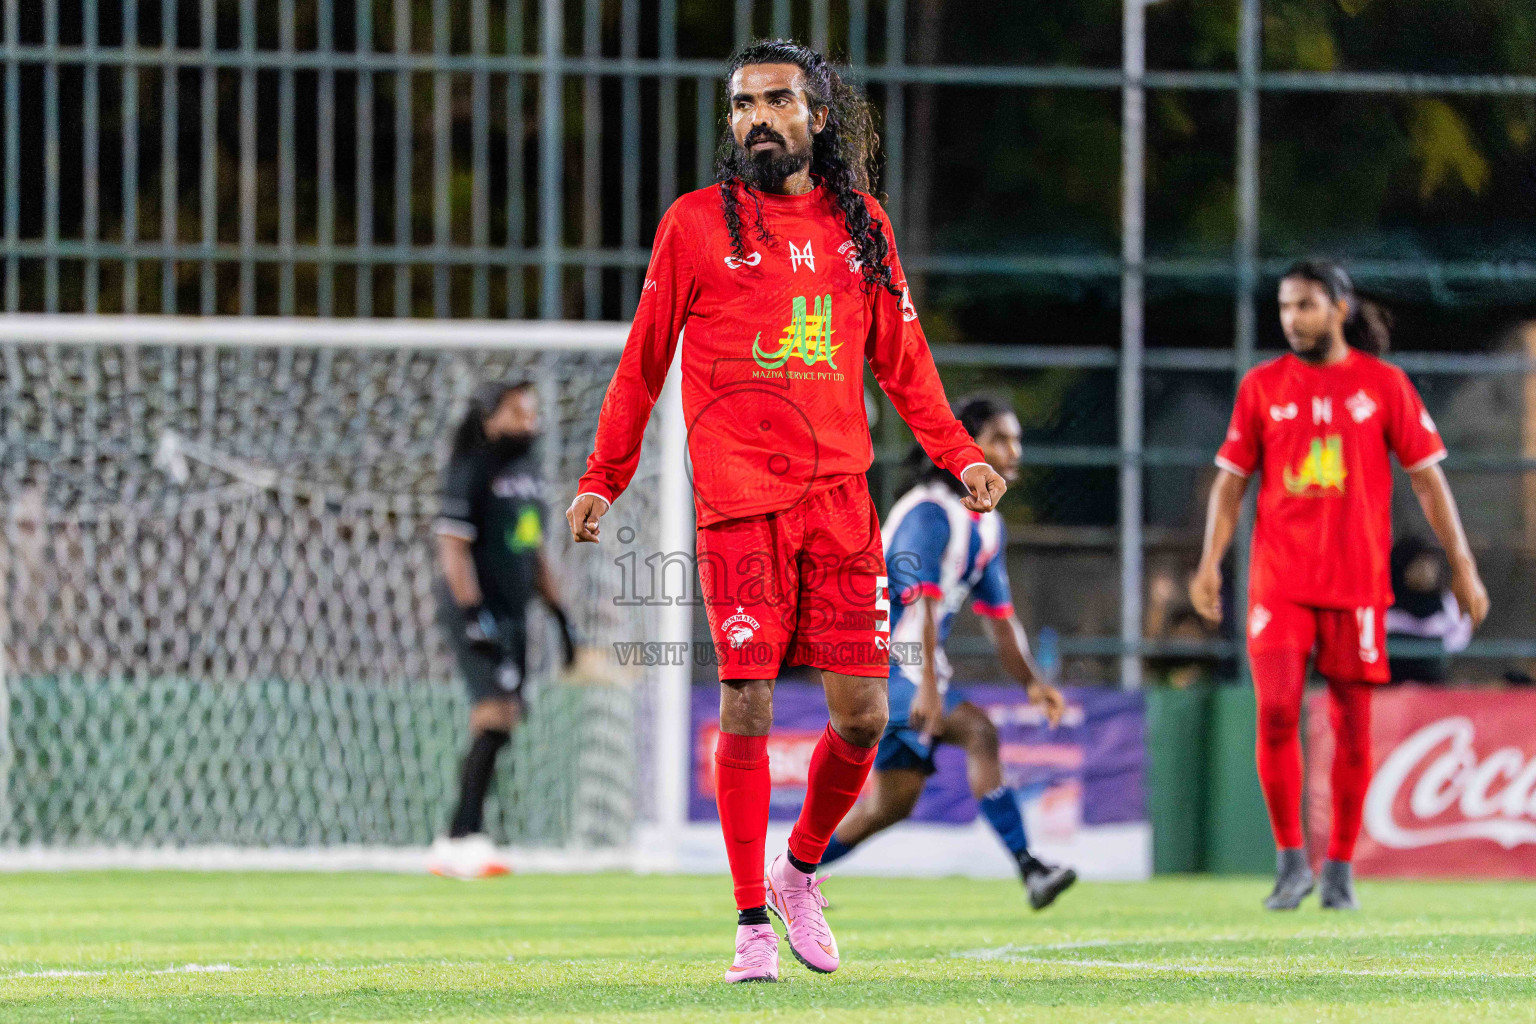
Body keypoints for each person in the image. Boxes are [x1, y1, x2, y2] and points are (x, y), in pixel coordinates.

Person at [566, 39, 1006, 983]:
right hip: (739, 507)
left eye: (775, 101)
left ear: (818, 115)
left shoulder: (864, 228)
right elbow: (643, 360)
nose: (755, 119)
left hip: (841, 505)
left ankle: (800, 870)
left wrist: (959, 455)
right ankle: (749, 924)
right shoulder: (692, 226)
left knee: (862, 717)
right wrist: (604, 475)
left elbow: (904, 364)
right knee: (747, 699)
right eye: (741, 105)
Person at [1190, 260, 1489, 911]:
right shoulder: (1263, 386)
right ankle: (1291, 860)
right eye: (1285, 307)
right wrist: (1210, 562)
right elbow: (1230, 482)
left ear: (1340, 309)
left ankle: (1341, 870)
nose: (1292, 319)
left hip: (1355, 585)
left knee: (1352, 728)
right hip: (1280, 583)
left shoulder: (1383, 385)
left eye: (1305, 305)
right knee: (1275, 712)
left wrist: (1461, 566)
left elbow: (1428, 479)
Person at [819, 396, 1077, 910]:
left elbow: (1001, 621)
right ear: (965, 445)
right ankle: (1030, 868)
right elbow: (923, 606)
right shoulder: (930, 511)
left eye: (1016, 439)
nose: (1012, 450)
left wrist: (1032, 682)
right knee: (980, 732)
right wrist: (931, 691)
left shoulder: (987, 526)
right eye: (999, 438)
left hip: (911, 666)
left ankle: (785, 872)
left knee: (890, 805)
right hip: (877, 661)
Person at [428, 380, 576, 880]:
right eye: (516, 411)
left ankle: (463, 836)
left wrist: (560, 616)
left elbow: (532, 547)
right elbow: (453, 548)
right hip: (476, 607)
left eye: (532, 411)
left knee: (504, 716)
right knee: (494, 711)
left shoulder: (529, 474)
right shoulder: (469, 468)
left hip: (516, 611)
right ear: (489, 418)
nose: (528, 421)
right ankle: (458, 839)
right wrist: (473, 616)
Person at [1386, 535, 1473, 683]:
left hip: (1434, 689)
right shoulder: (1385, 604)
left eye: (1430, 565)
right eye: (1419, 565)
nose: (1426, 572)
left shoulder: (1449, 606)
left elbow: (1458, 640)